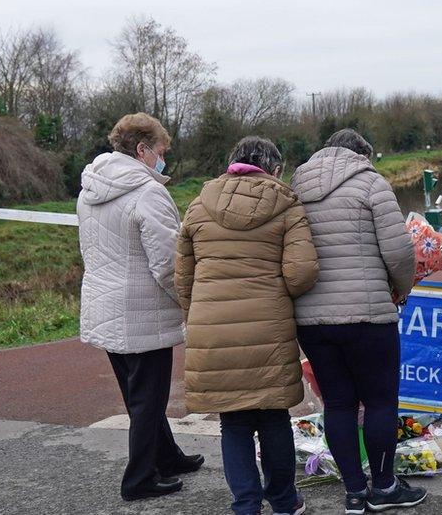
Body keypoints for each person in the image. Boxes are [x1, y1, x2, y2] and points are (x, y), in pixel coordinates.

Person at [175, 136, 319, 515]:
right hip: (267, 328)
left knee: (233, 423)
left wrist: (200, 315)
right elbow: (301, 273)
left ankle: (246, 505)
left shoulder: (197, 206)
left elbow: (183, 279)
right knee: (273, 418)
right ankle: (285, 501)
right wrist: (275, 292)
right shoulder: (287, 204)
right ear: (274, 169)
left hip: (212, 329)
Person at [290, 129, 421, 515]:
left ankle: (353, 493)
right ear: (361, 154)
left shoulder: (296, 186)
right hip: (368, 315)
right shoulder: (371, 183)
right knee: (380, 401)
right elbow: (398, 252)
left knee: (339, 404)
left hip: (312, 320)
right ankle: (384, 486)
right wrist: (401, 289)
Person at [76, 112, 203, 502]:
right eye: (161, 151)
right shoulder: (148, 193)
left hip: (104, 304)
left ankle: (167, 456)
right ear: (143, 149)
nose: (164, 159)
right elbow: (168, 264)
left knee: (139, 397)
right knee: (149, 398)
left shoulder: (89, 189)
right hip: (141, 309)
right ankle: (139, 479)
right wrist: (190, 301)